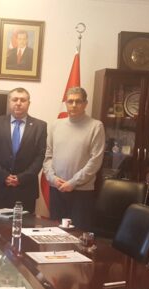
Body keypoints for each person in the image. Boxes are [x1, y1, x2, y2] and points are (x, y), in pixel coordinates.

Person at [42, 87, 105, 230]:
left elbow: (95, 161)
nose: (74, 105)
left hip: (81, 192)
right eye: (70, 101)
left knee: (78, 235)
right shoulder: (55, 125)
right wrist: (52, 178)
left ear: (85, 104)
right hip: (57, 189)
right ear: (66, 103)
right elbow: (48, 156)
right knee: (55, 234)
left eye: (78, 101)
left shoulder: (96, 126)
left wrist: (73, 182)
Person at [0, 87, 47, 213]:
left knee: (24, 224)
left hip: (25, 189)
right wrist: (4, 176)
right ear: (9, 102)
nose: (18, 103)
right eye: (15, 99)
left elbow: (40, 156)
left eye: (23, 100)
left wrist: (21, 178)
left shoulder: (40, 126)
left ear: (29, 103)